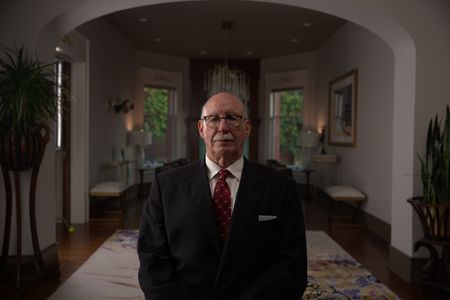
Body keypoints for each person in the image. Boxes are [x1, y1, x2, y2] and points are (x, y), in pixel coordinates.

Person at [137, 92, 307, 300]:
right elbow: (152, 261)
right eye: (214, 119)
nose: (223, 128)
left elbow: (292, 264)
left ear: (247, 128)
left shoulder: (281, 187)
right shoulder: (166, 186)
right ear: (201, 128)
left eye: (232, 118)